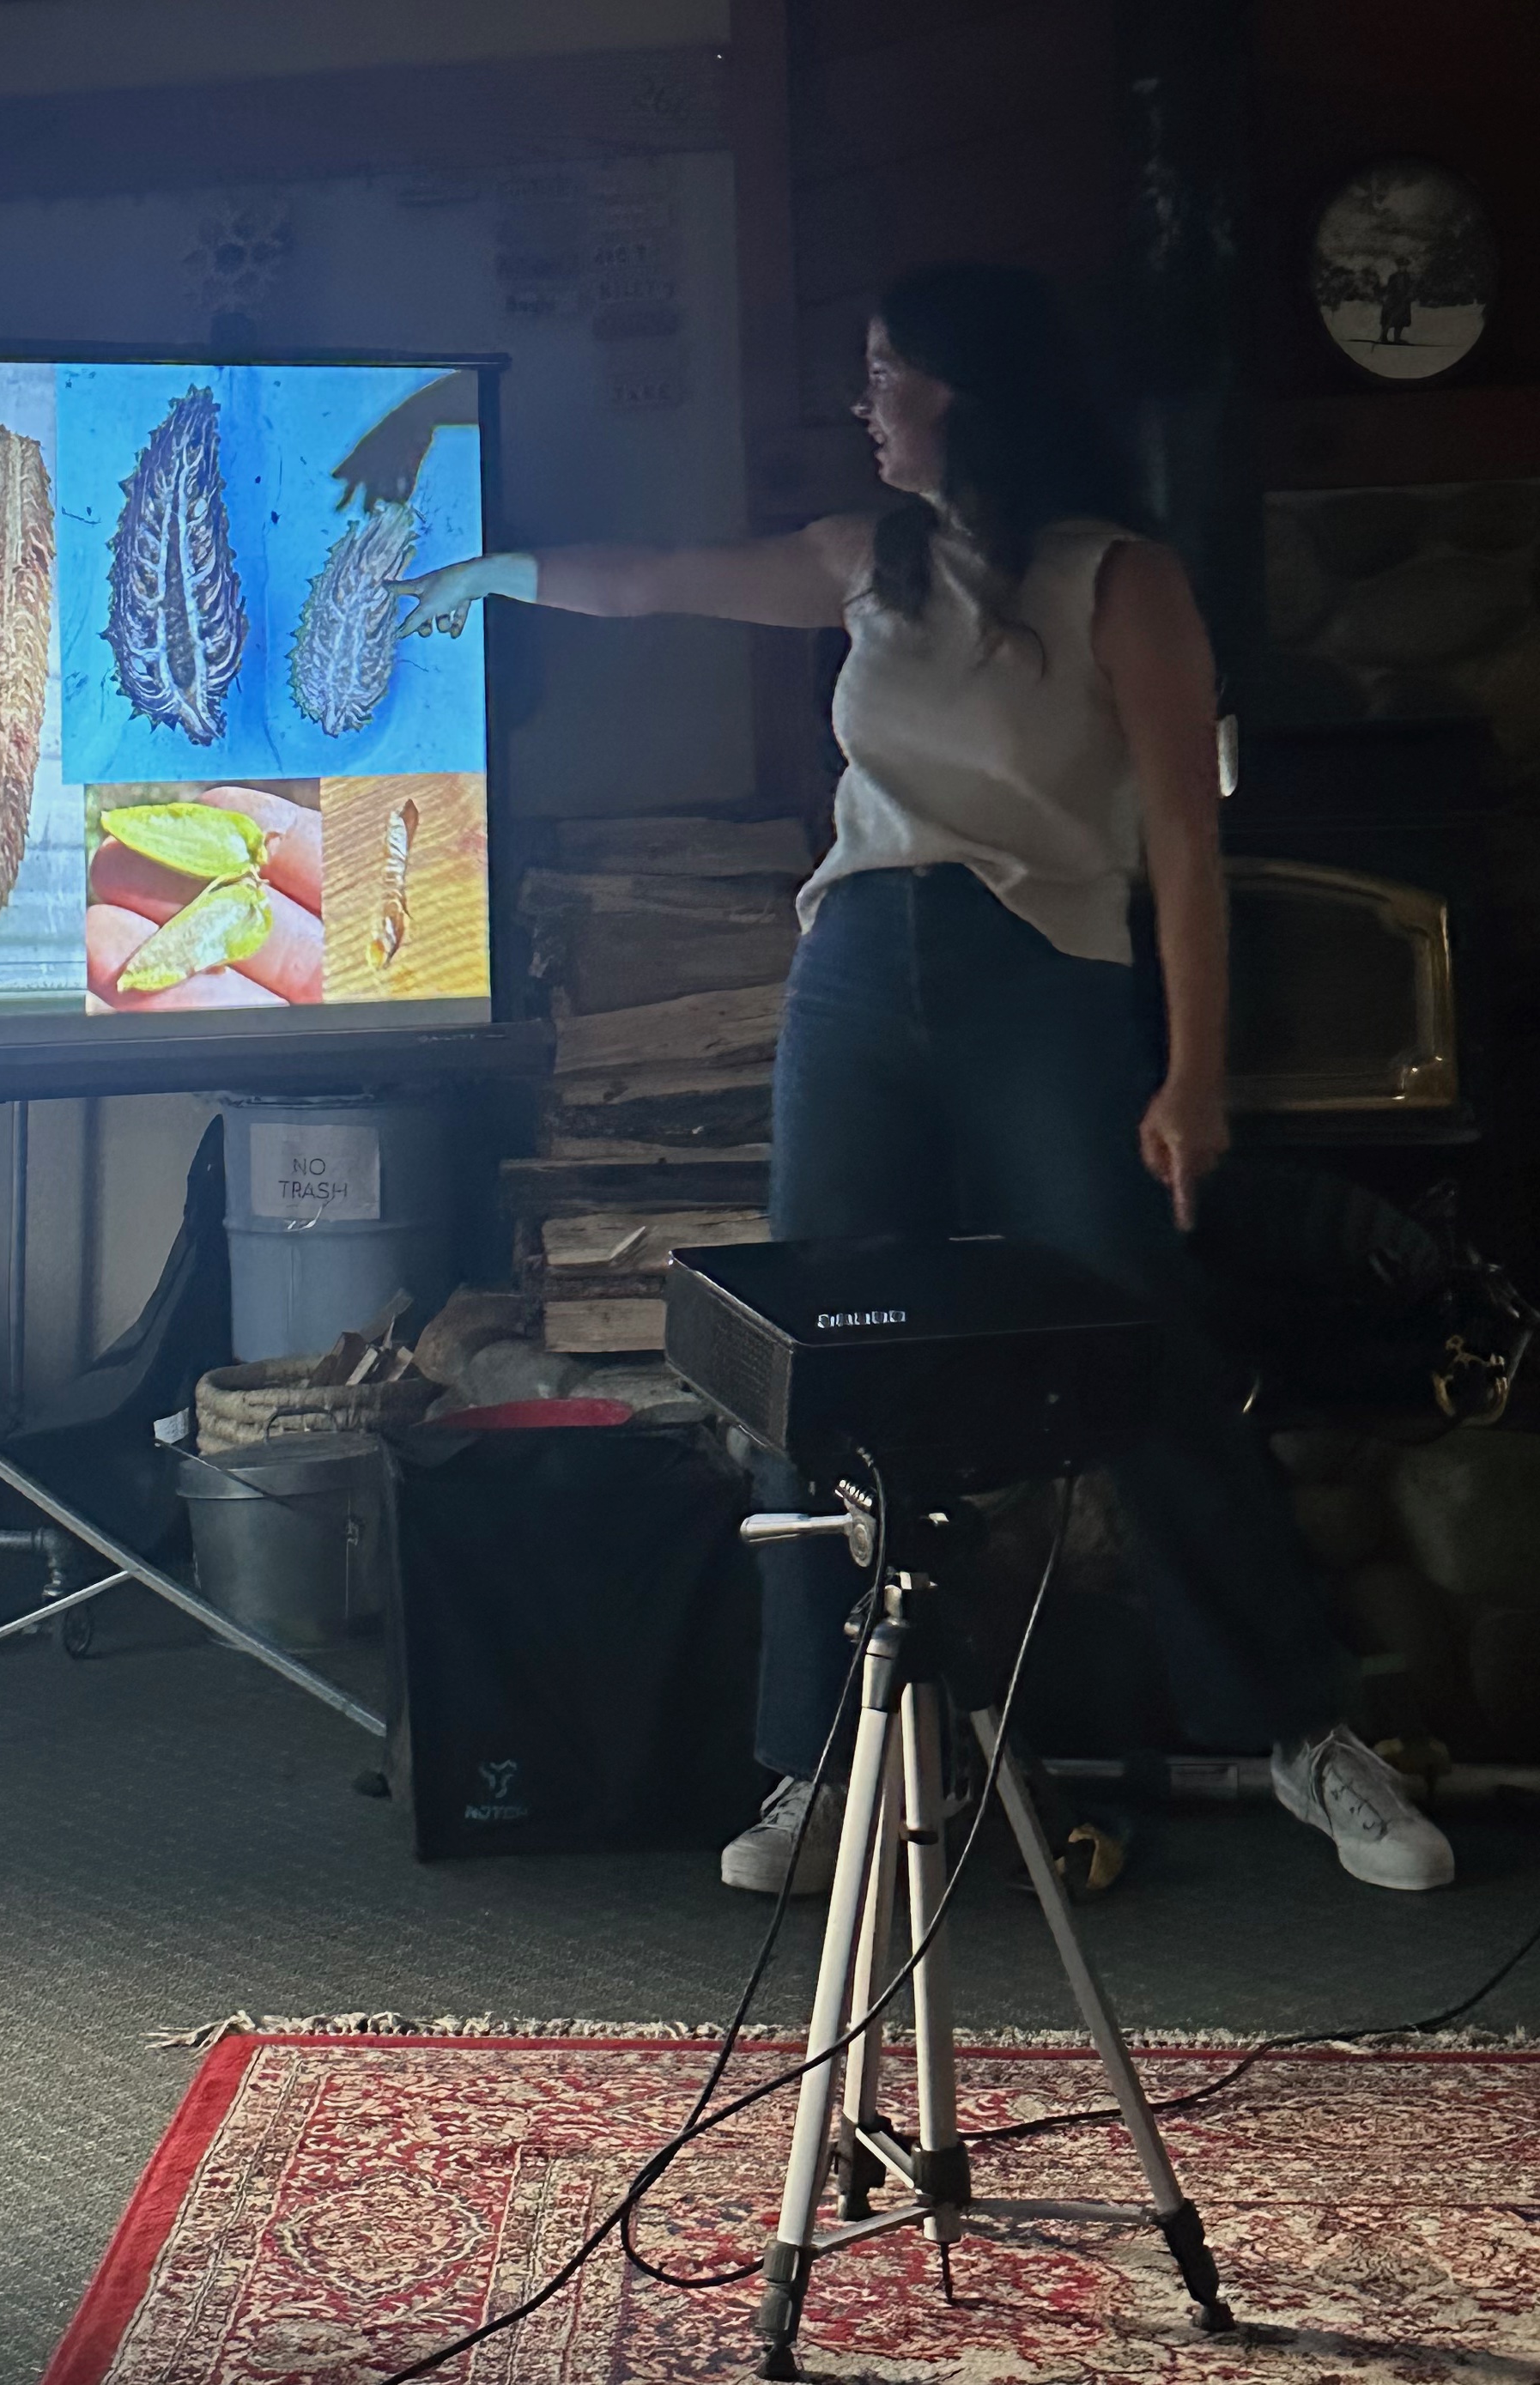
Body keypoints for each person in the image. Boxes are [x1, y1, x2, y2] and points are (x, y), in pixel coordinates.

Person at [390, 261, 1454, 1895]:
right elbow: (666, 575)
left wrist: (1192, 1078)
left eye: (882, 371)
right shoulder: (861, 560)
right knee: (804, 1352)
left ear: (959, 387)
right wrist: (495, 573)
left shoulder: (1121, 581)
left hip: (1045, 981)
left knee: (1131, 1329)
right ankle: (821, 1762)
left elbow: (1184, 837)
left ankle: (1303, 1737)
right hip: (855, 977)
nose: (861, 401)